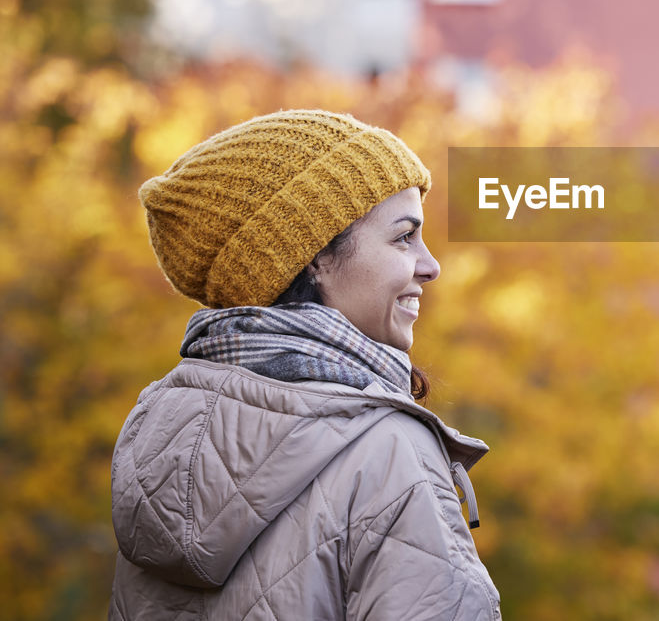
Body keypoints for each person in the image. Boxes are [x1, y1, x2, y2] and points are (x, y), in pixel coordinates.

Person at [109, 109, 501, 619]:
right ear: (314, 256)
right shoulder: (384, 452)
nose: (431, 266)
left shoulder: (160, 433)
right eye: (404, 237)